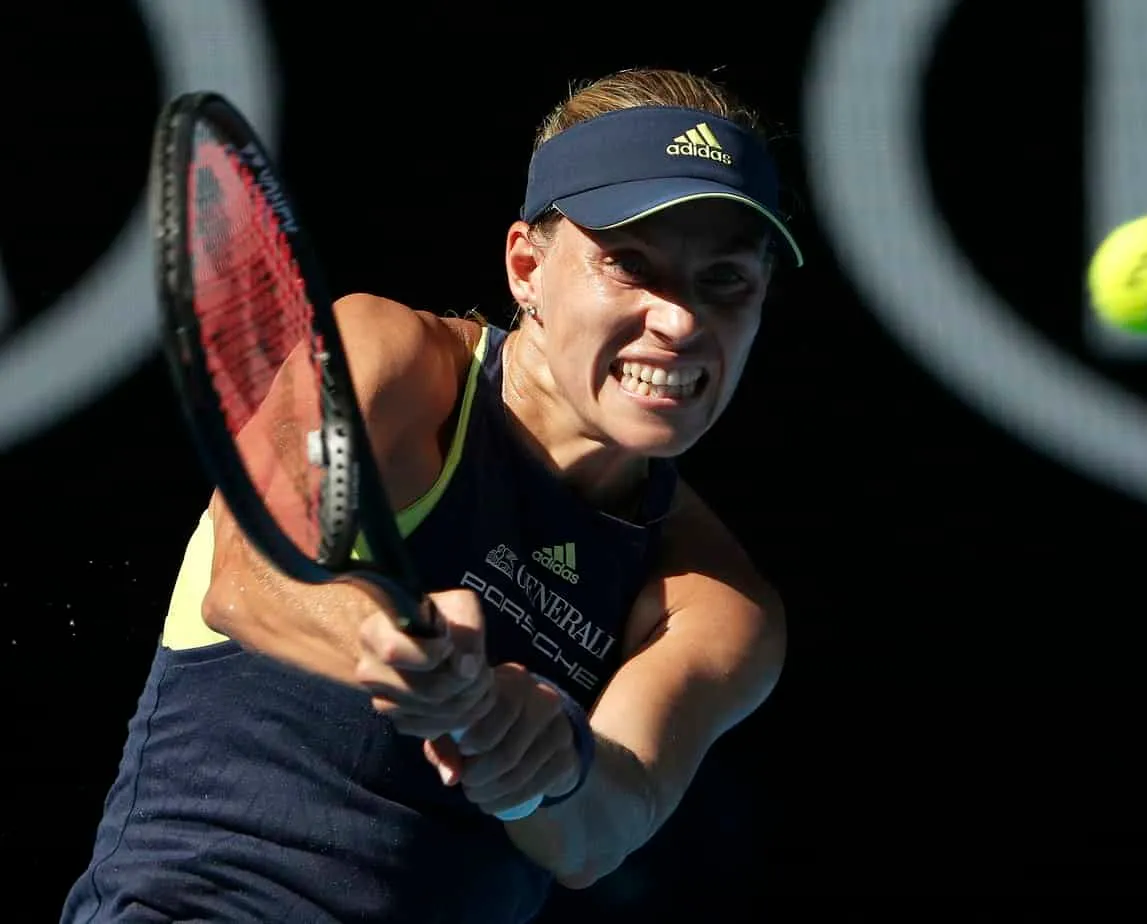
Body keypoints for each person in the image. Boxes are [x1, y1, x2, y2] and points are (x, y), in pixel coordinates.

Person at [62, 67, 803, 923]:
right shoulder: (388, 357)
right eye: (630, 265)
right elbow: (251, 579)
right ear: (526, 266)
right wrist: (398, 650)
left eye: (725, 282)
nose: (679, 321)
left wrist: (550, 761)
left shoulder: (717, 599)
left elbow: (604, 829)